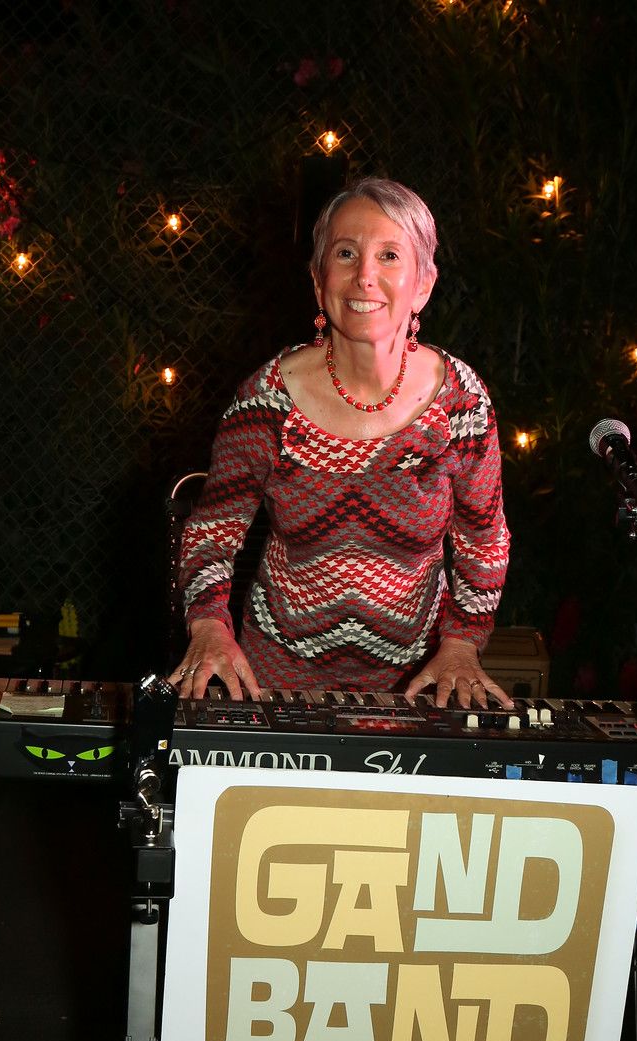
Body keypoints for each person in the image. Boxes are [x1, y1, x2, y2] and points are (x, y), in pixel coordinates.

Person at [169, 177, 512, 710]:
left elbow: (483, 540)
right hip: (275, 682)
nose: (364, 276)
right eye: (346, 253)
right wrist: (210, 627)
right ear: (318, 278)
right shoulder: (266, 402)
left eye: (390, 256)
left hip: (421, 684)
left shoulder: (461, 404)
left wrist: (463, 644)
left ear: (423, 284)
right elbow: (211, 533)